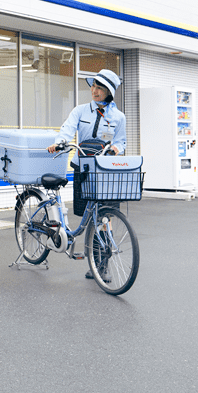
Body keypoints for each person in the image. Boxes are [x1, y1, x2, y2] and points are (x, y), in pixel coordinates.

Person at [47, 68, 126, 280]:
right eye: (93, 86)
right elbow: (67, 128)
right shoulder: (80, 111)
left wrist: (116, 149)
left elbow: (121, 141)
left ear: (109, 91)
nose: (95, 90)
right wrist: (60, 142)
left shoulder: (119, 117)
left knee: (105, 216)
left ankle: (102, 266)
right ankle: (93, 261)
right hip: (82, 167)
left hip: (105, 171)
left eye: (100, 88)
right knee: (89, 215)